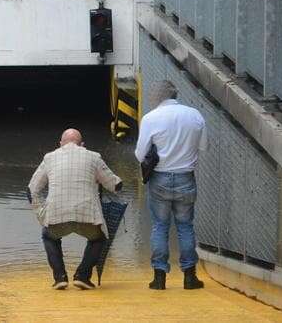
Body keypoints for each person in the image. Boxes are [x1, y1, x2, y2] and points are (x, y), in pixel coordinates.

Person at [28, 128, 123, 290]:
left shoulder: (49, 158)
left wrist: (41, 214)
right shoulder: (94, 157)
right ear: (82, 145)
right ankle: (83, 276)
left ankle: (60, 278)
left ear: (60, 144)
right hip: (87, 217)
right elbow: (115, 186)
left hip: (56, 216)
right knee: (99, 239)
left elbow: (32, 190)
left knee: (49, 237)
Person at [135, 80, 207, 290]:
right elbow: (203, 147)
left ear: (158, 97)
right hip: (186, 177)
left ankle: (159, 278)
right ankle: (190, 277)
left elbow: (140, 154)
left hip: (160, 179)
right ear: (175, 95)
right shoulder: (195, 115)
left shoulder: (150, 118)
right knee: (185, 226)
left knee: (160, 226)